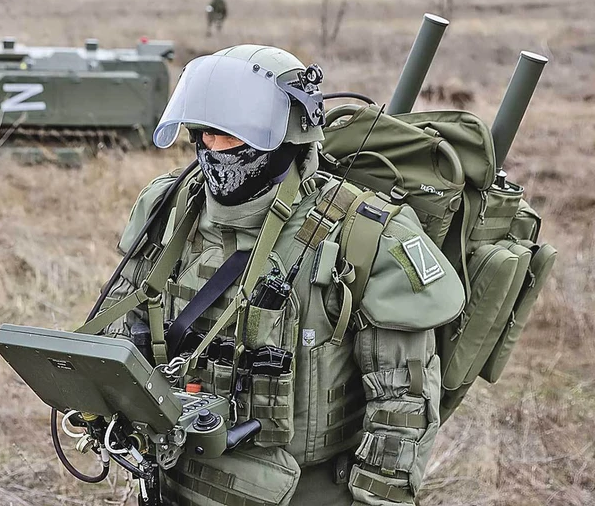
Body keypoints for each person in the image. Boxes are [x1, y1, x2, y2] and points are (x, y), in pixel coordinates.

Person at [101, 45, 464, 505]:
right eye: (203, 134)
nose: (212, 150)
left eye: (230, 137)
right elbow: (120, 316)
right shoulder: (170, 206)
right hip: (172, 478)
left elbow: (402, 404)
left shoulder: (365, 236)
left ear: (287, 136)